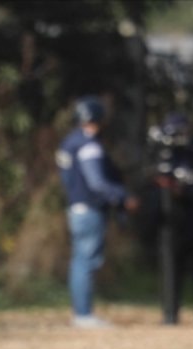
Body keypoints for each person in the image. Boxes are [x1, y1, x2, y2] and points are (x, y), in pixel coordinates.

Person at [56, 95, 139, 328]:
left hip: (75, 207)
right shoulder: (89, 146)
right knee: (86, 261)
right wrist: (121, 196)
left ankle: (81, 313)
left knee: (80, 260)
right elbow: (97, 182)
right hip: (89, 209)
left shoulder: (68, 143)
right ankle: (83, 314)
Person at [147, 112, 193, 326]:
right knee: (171, 269)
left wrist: (185, 190)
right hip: (172, 223)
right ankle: (170, 314)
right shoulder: (163, 155)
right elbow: (146, 179)